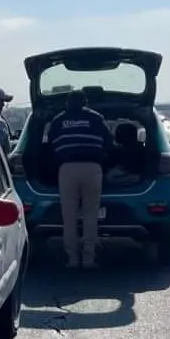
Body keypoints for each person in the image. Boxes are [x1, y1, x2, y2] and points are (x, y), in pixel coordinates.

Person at [47, 89, 112, 268]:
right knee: (91, 214)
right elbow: (109, 143)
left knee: (69, 216)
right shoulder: (96, 118)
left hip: (67, 169)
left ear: (67, 103)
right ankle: (89, 259)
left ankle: (73, 259)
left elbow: (49, 145)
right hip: (92, 168)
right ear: (85, 102)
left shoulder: (58, 120)